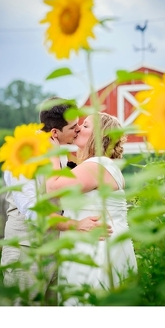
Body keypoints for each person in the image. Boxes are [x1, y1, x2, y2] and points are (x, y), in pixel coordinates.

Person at [1, 97, 106, 304]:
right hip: (27, 249)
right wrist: (76, 225)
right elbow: (33, 210)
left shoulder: (59, 150)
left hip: (55, 247)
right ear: (55, 132)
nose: (78, 130)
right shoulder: (22, 156)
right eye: (73, 127)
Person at [45, 112, 138, 305]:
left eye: (86, 126)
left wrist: (51, 153)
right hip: (95, 242)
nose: (78, 128)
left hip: (97, 248)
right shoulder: (101, 165)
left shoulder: (97, 165)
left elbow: (53, 188)